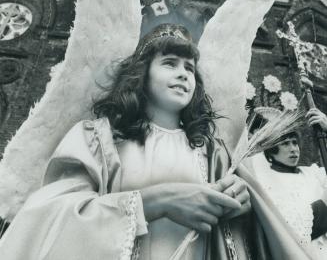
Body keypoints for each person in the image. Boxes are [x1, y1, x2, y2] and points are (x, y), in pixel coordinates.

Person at [0, 24, 253, 260]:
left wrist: (239, 202)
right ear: (142, 73)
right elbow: (54, 217)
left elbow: (237, 239)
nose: (183, 74)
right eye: (170, 63)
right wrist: (156, 201)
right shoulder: (98, 139)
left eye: (189, 68)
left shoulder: (211, 151)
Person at [254, 113, 327, 260]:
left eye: (295, 142)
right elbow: (290, 230)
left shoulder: (313, 173)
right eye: (285, 143)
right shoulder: (266, 182)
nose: (294, 149)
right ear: (271, 149)